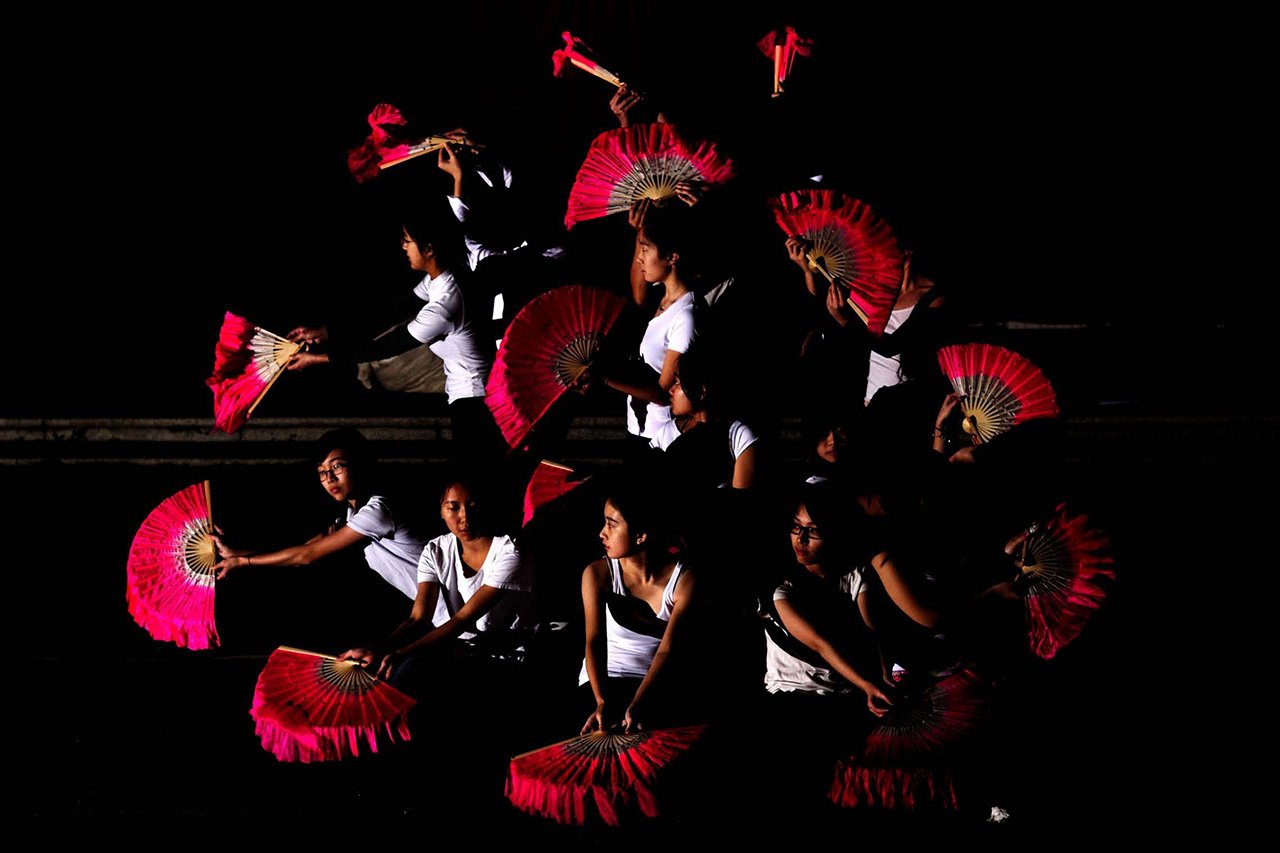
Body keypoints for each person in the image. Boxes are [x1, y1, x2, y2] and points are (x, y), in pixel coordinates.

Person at [286, 213, 502, 463]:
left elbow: (382, 347)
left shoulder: (446, 304)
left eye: (407, 240)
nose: (402, 246)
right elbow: (386, 316)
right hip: (466, 395)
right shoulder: (438, 281)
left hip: (475, 400)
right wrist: (324, 332)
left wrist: (316, 359)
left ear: (429, 249)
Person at [338, 474, 537, 686]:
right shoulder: (435, 551)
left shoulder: (509, 552)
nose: (464, 517)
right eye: (453, 507)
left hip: (513, 657)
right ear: (441, 510)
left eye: (472, 506)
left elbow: (462, 620)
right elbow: (418, 619)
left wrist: (399, 654)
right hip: (463, 652)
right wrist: (377, 649)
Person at [212, 428, 427, 602]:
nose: (330, 478)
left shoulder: (378, 511)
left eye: (337, 466)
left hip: (451, 607)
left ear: (360, 464)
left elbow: (305, 556)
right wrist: (237, 553)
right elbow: (302, 549)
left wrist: (243, 562)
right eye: (322, 472)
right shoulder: (351, 515)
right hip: (436, 614)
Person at [579, 481, 697, 734]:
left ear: (641, 535)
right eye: (604, 522)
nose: (602, 533)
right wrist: (602, 702)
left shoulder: (683, 581)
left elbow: (667, 650)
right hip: (601, 681)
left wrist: (638, 703)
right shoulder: (598, 574)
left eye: (612, 525)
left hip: (654, 683)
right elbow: (594, 641)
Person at [593, 204, 700, 454]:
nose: (639, 257)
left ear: (672, 257)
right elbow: (638, 291)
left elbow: (663, 394)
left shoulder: (687, 317)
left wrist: (605, 377)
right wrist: (640, 231)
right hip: (638, 428)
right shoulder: (661, 300)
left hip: (662, 435)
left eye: (645, 249)